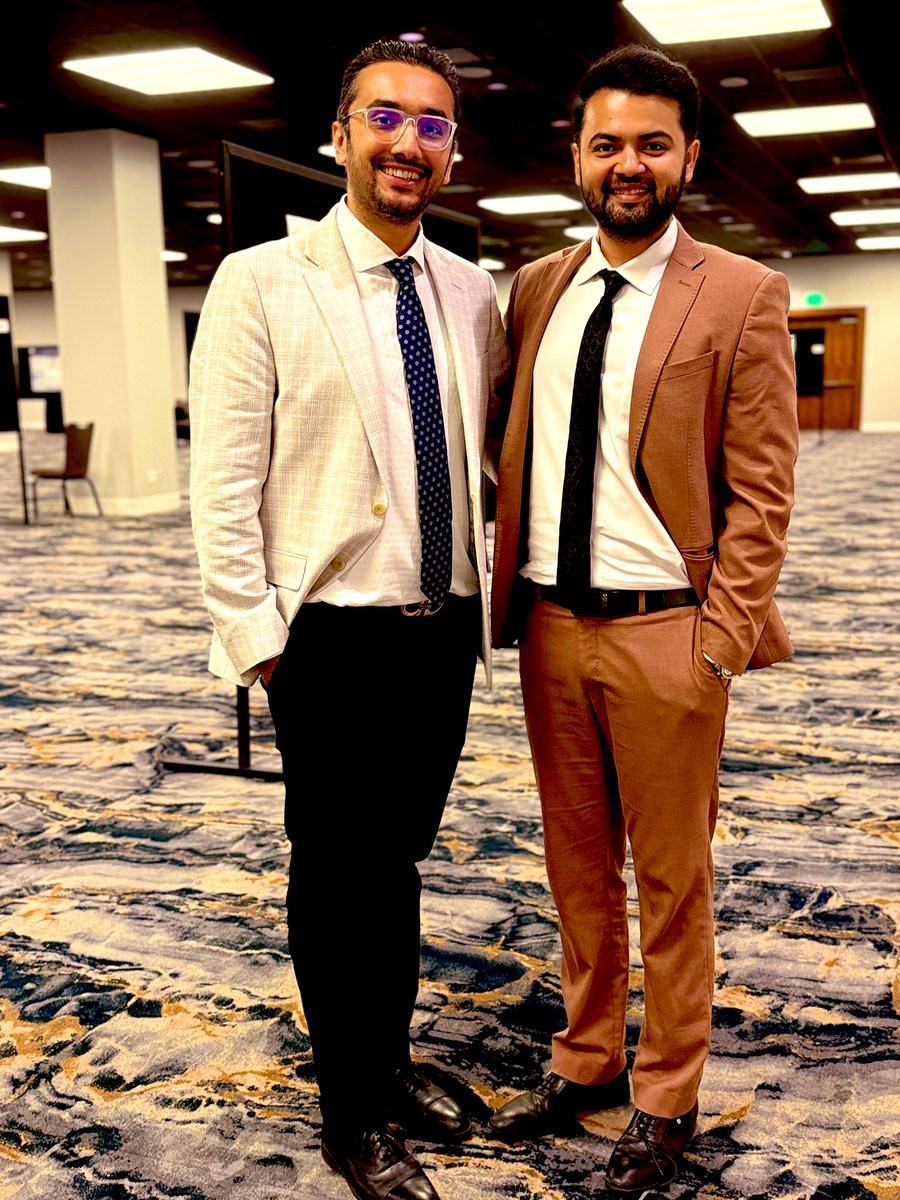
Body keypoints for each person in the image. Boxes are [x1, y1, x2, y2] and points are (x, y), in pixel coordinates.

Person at [190, 39, 508, 1200]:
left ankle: (384, 1061)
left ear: (451, 150)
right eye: (385, 117)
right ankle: (349, 1113)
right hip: (327, 639)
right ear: (339, 136)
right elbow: (223, 483)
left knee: (397, 863)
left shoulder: (470, 290)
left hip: (443, 630)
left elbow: (481, 460)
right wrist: (260, 642)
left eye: (432, 124)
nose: (407, 142)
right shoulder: (262, 281)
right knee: (337, 876)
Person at [486, 44, 798, 1195]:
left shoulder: (741, 292)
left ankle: (666, 1093)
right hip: (550, 628)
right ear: (577, 155)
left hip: (669, 630)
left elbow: (764, 491)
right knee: (576, 869)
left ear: (689, 158)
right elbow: (507, 444)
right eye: (608, 143)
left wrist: (718, 646)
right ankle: (586, 1061)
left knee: (671, 882)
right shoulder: (536, 286)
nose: (629, 164)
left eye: (652, 145)